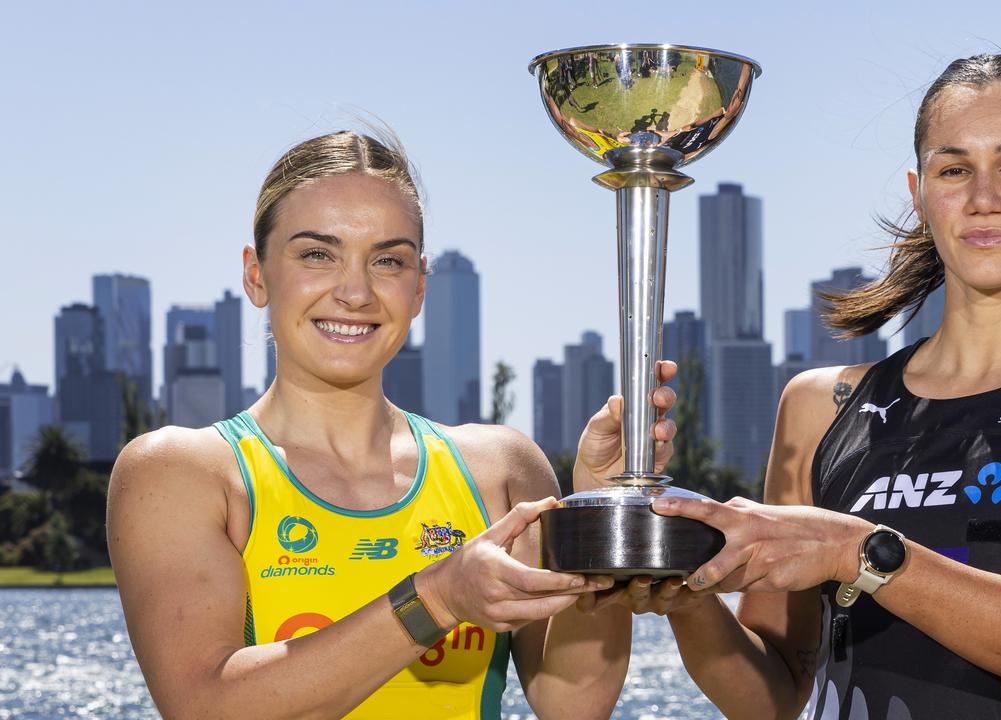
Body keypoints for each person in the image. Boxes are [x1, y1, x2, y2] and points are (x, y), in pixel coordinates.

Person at [613, 54, 1001, 719]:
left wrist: (854, 551)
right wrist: (691, 590)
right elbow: (775, 699)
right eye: (954, 170)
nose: (984, 197)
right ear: (921, 196)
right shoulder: (819, 406)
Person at [106, 130, 676, 720]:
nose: (355, 292)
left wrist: (605, 515)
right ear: (256, 275)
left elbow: (573, 703)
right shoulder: (182, 472)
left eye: (388, 260)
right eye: (317, 254)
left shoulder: (500, 469)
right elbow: (205, 705)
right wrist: (438, 596)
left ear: (420, 286)